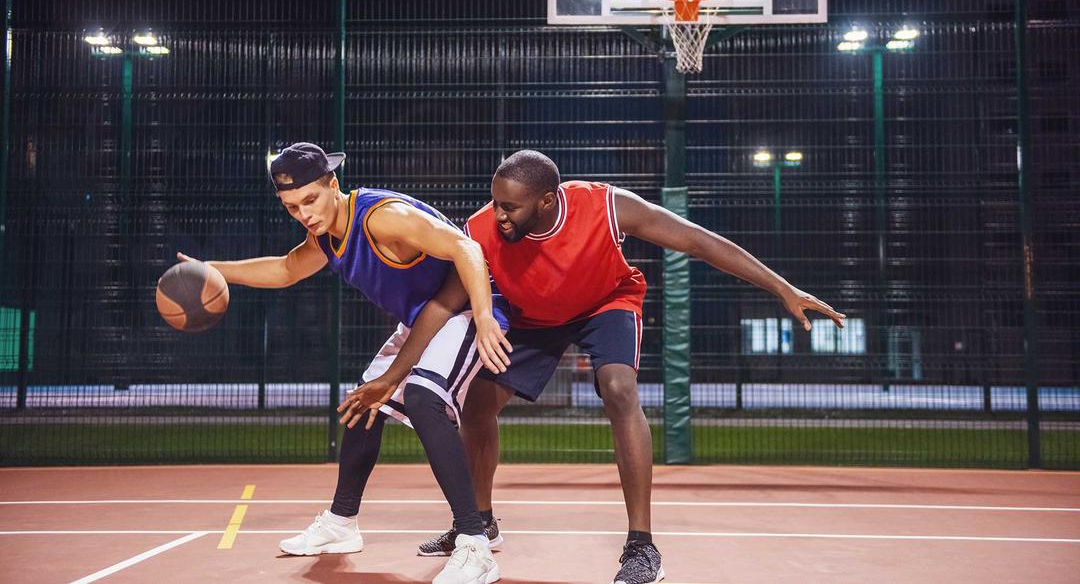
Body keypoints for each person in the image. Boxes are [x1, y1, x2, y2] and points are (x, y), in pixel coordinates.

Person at [341, 149, 846, 584]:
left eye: (510, 206)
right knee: (476, 406)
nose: (498, 215)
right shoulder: (481, 231)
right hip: (533, 317)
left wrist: (784, 288)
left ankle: (642, 544)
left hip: (605, 304)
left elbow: (698, 240)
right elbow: (440, 306)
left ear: (547, 201)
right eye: (495, 202)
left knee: (619, 389)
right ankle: (482, 523)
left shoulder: (604, 206)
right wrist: (391, 376)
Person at [181, 142, 511, 584]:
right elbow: (285, 269)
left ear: (333, 184)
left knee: (424, 398)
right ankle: (340, 523)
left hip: (468, 308)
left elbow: (466, 248)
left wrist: (486, 317)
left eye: (311, 200)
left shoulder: (381, 215)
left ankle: (475, 543)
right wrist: (211, 269)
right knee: (363, 404)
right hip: (423, 319)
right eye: (291, 206)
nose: (304, 214)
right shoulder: (324, 235)